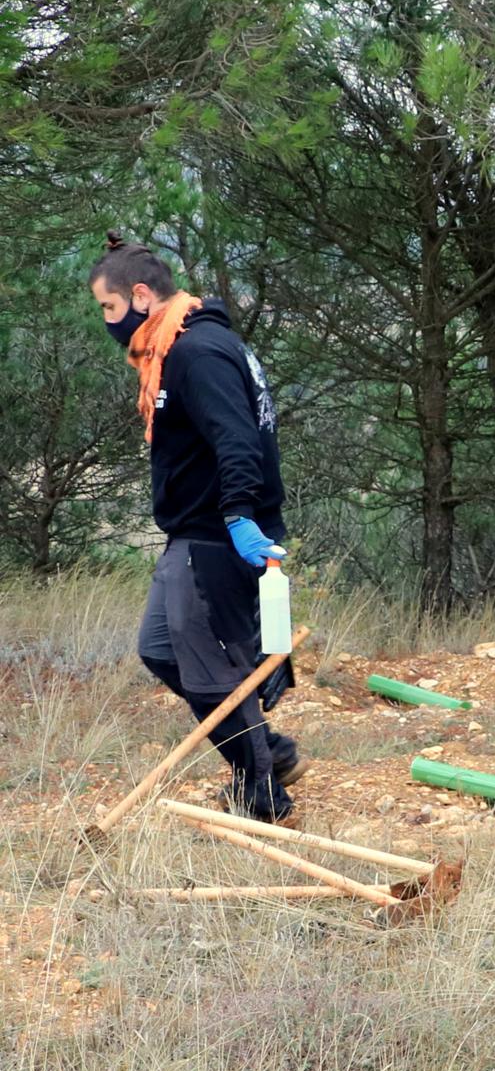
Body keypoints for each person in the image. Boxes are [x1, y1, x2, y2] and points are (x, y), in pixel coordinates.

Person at [89, 236, 301, 822]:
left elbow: (238, 441)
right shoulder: (180, 347)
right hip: (191, 533)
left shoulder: (197, 352)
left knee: (214, 671)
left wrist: (237, 517)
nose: (109, 323)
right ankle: (268, 750)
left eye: (109, 309)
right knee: (161, 650)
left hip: (216, 532)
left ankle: (264, 796)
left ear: (139, 295)